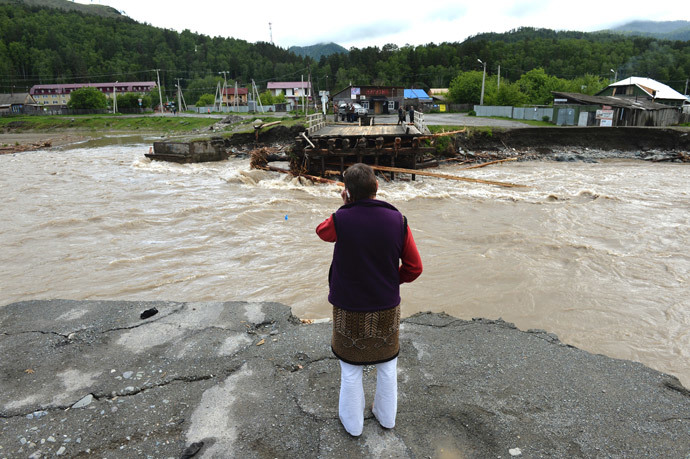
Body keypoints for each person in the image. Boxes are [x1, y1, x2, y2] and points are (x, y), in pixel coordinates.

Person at [316, 163, 423, 437]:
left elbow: (322, 231)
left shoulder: (342, 219)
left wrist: (344, 207)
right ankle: (386, 419)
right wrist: (389, 281)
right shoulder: (398, 220)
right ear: (377, 187)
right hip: (385, 306)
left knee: (351, 369)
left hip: (349, 307)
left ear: (347, 192)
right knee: (387, 365)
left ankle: (353, 425)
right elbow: (414, 268)